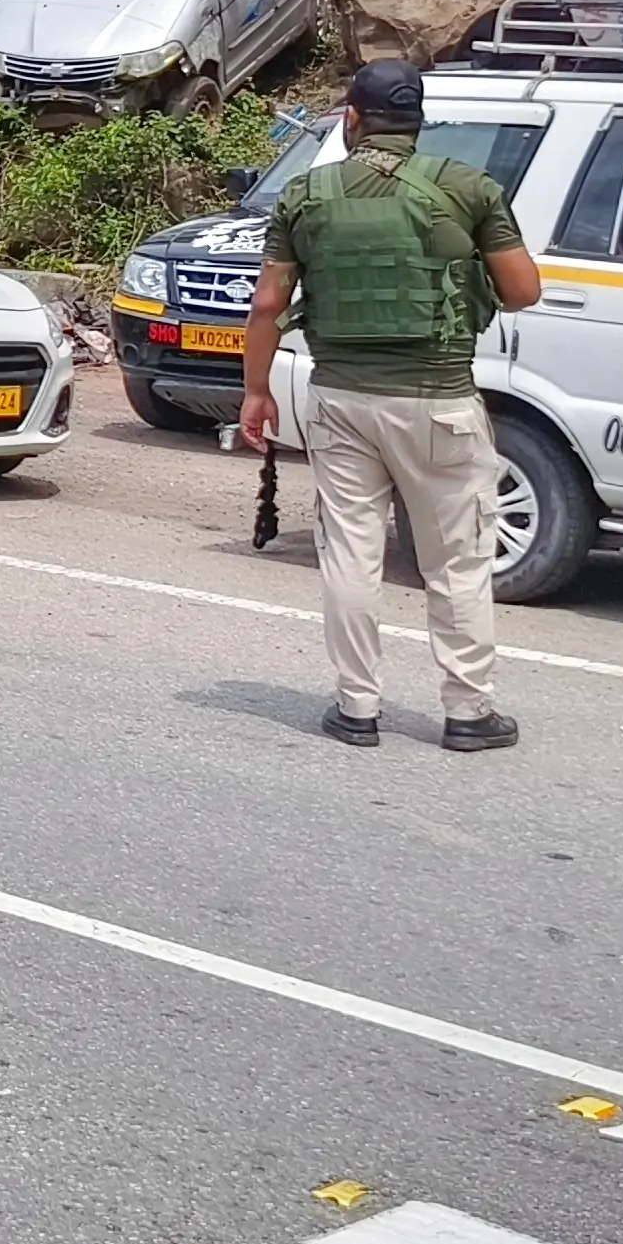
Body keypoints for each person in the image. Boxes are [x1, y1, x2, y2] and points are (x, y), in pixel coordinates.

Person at [240, 58, 544, 751]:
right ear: (418, 123)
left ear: (352, 117)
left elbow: (266, 305)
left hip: (341, 398)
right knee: (458, 559)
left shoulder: (305, 193)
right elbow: (524, 289)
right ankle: (468, 712)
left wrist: (256, 391)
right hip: (438, 399)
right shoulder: (468, 188)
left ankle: (356, 706)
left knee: (351, 550)